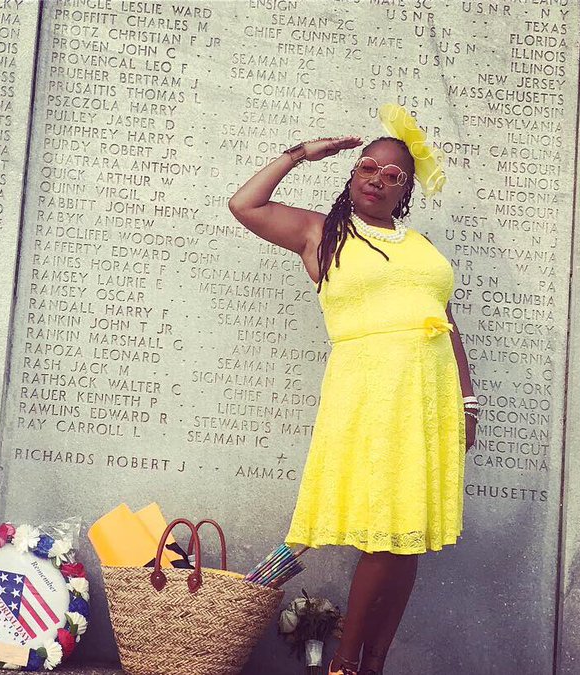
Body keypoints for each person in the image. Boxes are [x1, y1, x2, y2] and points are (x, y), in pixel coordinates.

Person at [227, 120, 477, 674]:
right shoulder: (323, 233)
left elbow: (447, 322)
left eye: (393, 175)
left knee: (408, 537)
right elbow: (245, 204)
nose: (378, 179)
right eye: (368, 167)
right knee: (385, 536)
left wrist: (468, 402)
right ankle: (344, 663)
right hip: (370, 394)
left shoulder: (421, 247)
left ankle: (374, 664)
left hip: (428, 397)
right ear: (351, 173)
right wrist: (300, 153)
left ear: (405, 190)